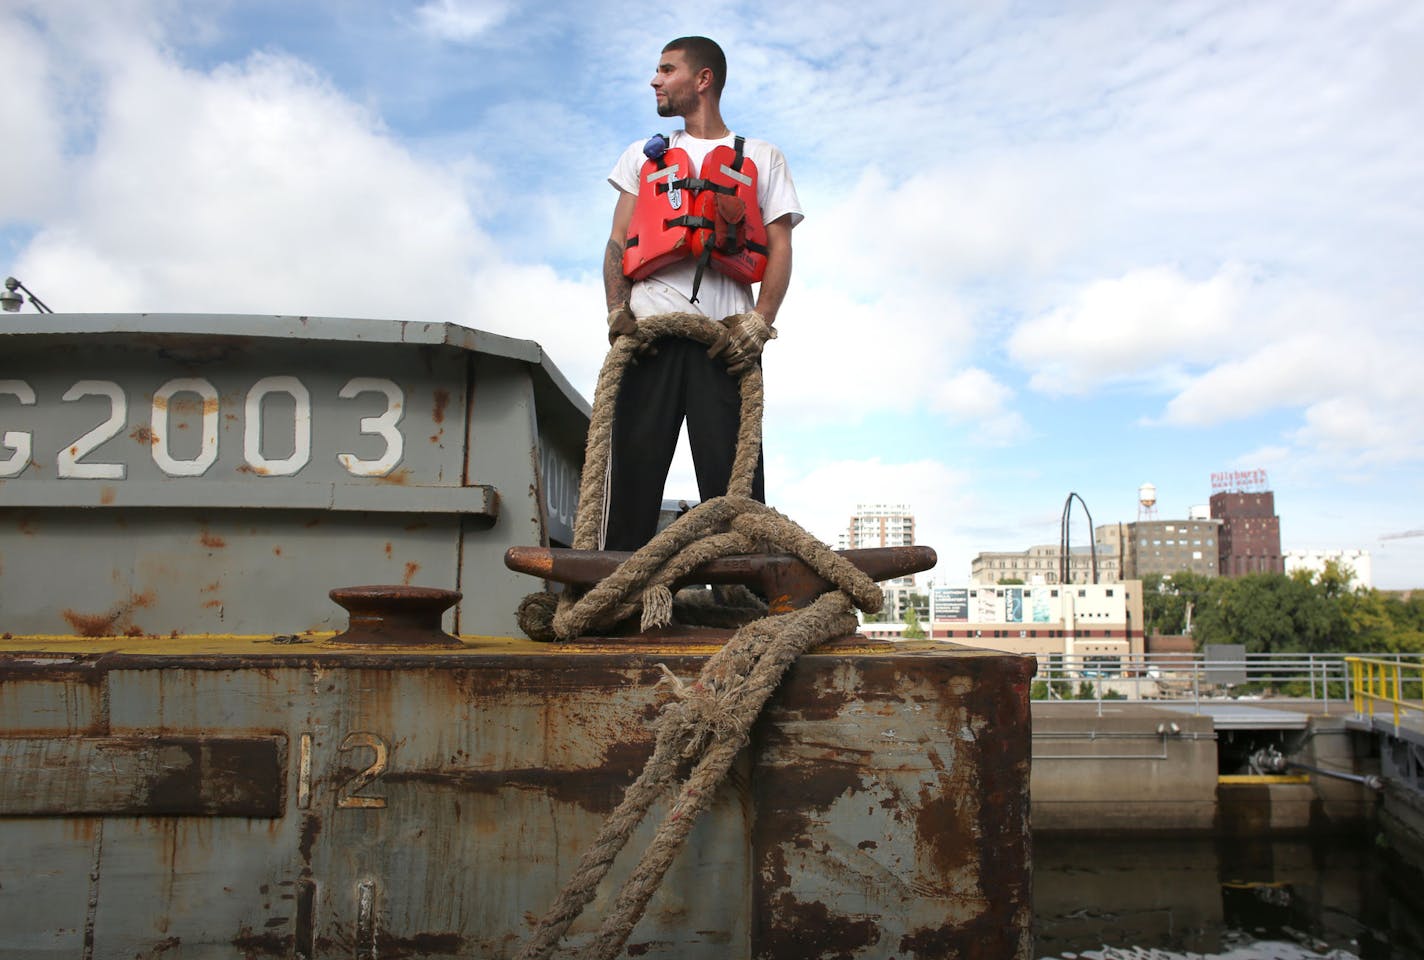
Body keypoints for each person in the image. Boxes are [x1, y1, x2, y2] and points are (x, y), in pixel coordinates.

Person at [602, 36, 802, 551]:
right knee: (631, 483)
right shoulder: (642, 157)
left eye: (667, 70)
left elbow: (780, 247)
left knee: (738, 490)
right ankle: (615, 607)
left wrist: (761, 321)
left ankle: (748, 605)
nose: (655, 80)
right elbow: (618, 241)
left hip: (727, 346)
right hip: (650, 339)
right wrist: (616, 312)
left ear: (703, 79)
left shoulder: (762, 157)